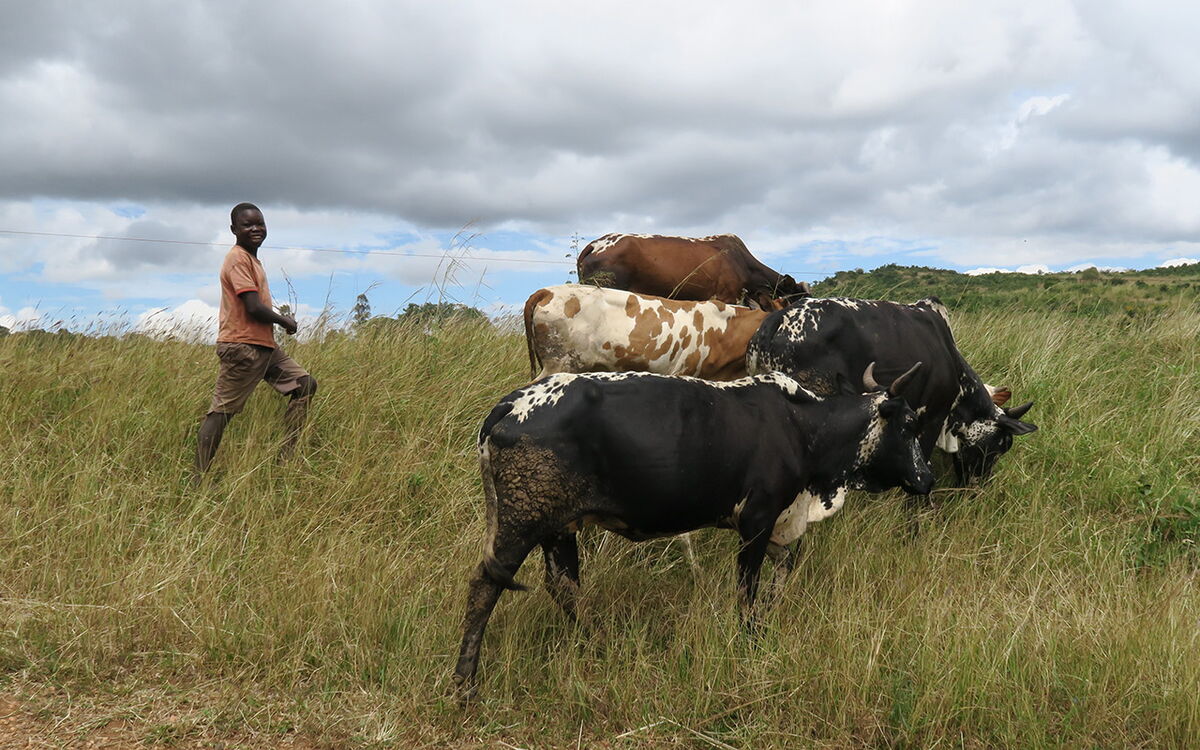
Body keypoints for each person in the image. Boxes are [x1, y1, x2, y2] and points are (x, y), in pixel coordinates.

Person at [195, 203, 318, 475]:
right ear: (233, 229)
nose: (255, 229)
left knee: (305, 384)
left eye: (259, 224)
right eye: (247, 225)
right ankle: (199, 478)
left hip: (263, 346)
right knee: (221, 413)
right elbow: (252, 306)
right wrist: (283, 320)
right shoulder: (237, 258)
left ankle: (286, 457)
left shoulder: (252, 260)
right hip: (242, 347)